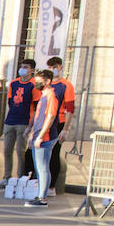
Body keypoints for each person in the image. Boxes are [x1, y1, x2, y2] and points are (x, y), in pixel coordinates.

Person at [25, 69, 60, 208]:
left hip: (45, 136)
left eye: (39, 81)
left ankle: (42, 198)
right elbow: (37, 115)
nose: (36, 84)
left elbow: (50, 117)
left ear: (47, 81)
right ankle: (41, 194)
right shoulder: (43, 95)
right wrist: (30, 130)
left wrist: (40, 136)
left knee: (42, 167)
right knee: (40, 167)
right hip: (39, 134)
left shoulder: (51, 96)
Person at [1, 58, 37, 186]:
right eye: (22, 67)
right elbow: (10, 101)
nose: (22, 69)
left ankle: (20, 177)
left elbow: (36, 105)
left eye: (26, 67)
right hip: (11, 120)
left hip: (24, 121)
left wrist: (31, 125)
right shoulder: (14, 83)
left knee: (20, 151)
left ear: (32, 70)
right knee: (7, 150)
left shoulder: (34, 84)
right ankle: (7, 177)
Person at [46, 56, 75, 196]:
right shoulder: (46, 84)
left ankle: (52, 186)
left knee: (54, 153)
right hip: (45, 121)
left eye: (55, 67)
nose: (53, 70)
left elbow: (70, 109)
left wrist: (65, 129)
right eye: (50, 68)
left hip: (58, 122)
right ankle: (36, 182)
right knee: (39, 153)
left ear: (60, 68)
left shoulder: (66, 85)